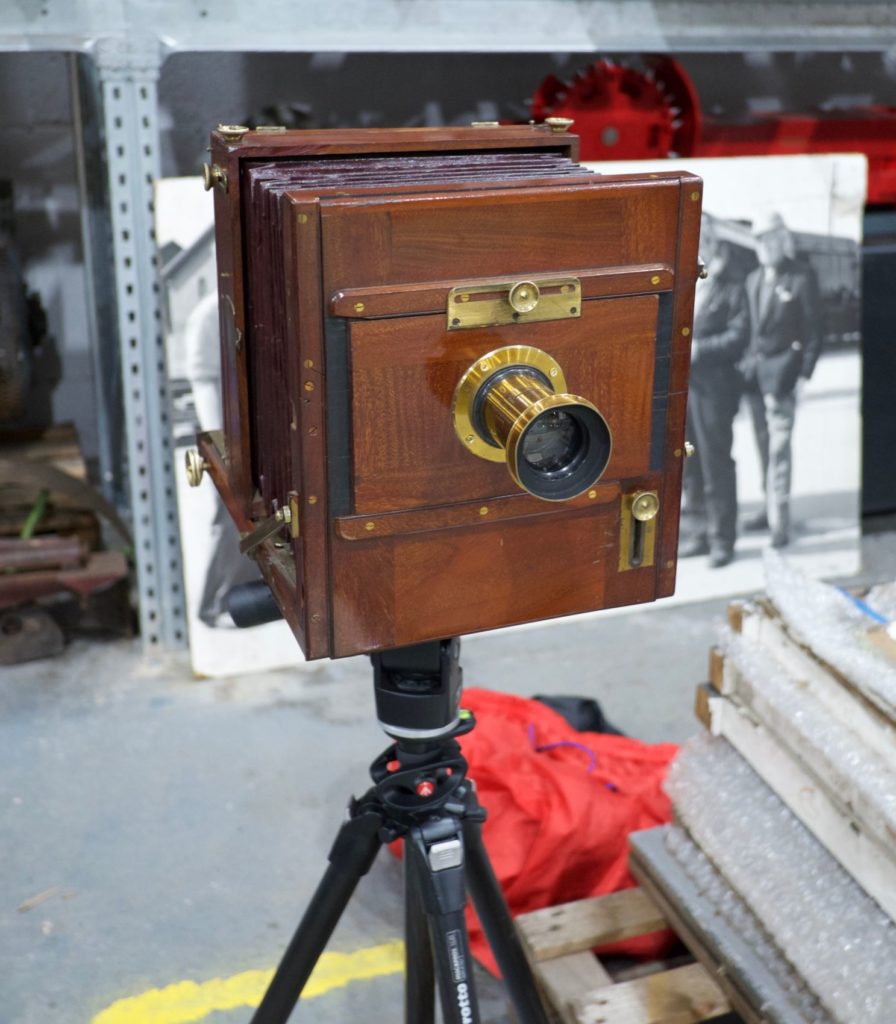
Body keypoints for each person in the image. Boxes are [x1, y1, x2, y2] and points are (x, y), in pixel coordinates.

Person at [740, 211, 823, 548]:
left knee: (779, 451)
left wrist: (803, 375)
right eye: (760, 239)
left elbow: (815, 331)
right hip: (755, 382)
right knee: (763, 448)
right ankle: (768, 508)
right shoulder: (753, 280)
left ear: (782, 240)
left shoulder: (801, 277)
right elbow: (751, 332)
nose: (765, 245)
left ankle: (781, 522)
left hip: (784, 379)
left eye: (771, 238)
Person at [679, 213, 750, 568]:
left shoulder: (731, 281)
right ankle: (699, 534)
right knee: (689, 459)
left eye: (702, 233)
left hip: (715, 386)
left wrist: (701, 349)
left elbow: (740, 335)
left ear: (713, 237)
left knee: (715, 460)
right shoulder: (691, 276)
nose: (698, 239)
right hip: (686, 387)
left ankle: (724, 539)